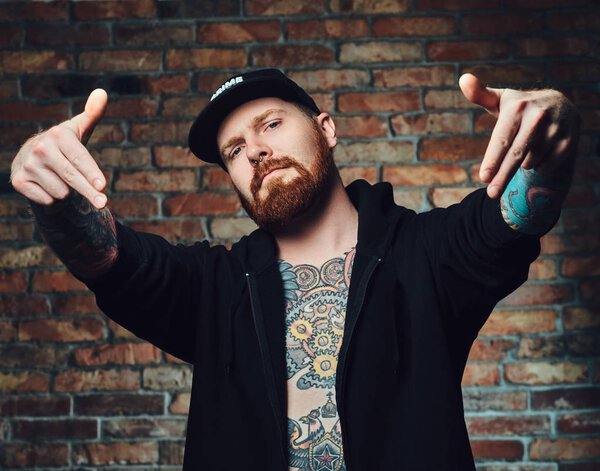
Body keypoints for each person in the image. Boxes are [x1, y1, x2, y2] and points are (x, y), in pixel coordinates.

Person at [10, 68, 579, 471]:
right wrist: (53, 192)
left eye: (271, 124)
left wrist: (553, 135)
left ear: (326, 129)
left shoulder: (425, 254)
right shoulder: (214, 288)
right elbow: (110, 260)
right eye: (233, 150)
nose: (253, 151)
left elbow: (511, 220)